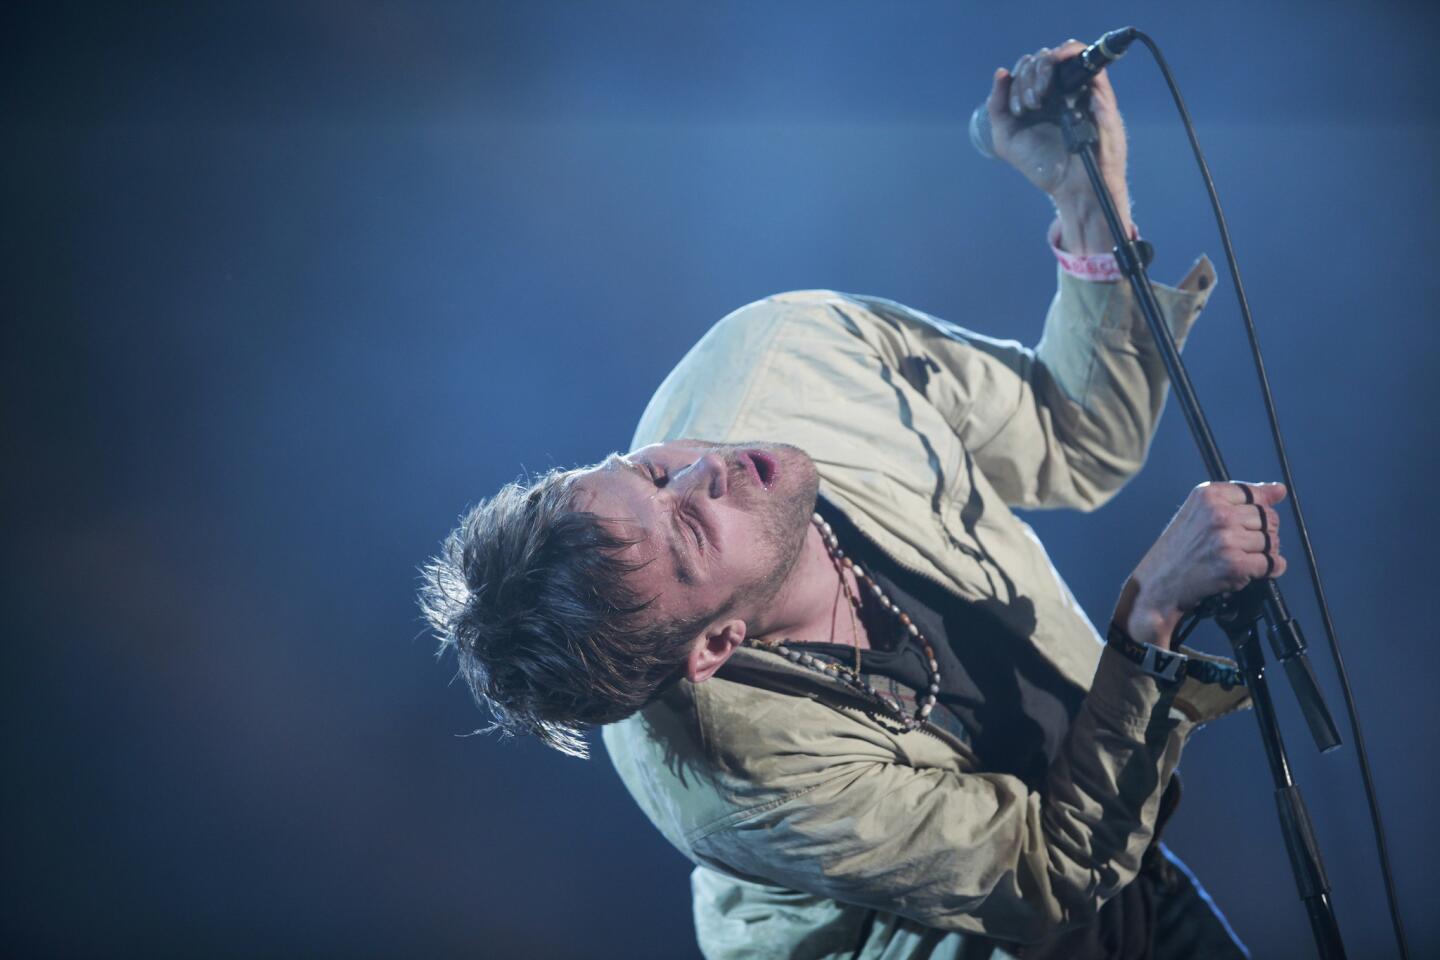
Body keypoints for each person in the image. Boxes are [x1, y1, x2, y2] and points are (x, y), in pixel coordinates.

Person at [420, 41, 1283, 959]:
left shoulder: (787, 351)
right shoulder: (743, 780)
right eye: (688, 529)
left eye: (640, 469)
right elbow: (1042, 878)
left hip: (1117, 842)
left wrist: (1084, 192)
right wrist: (1148, 624)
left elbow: (1078, 438)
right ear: (715, 646)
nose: (700, 470)